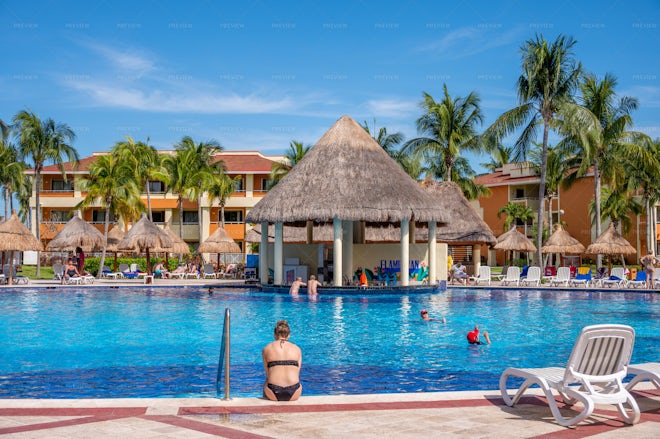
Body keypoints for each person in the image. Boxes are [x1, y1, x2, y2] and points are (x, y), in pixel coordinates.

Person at [262, 320, 302, 401]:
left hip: (272, 391)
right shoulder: (297, 349)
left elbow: (267, 374)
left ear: (274, 335)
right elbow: (297, 373)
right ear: (289, 335)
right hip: (294, 391)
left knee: (266, 382)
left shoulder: (267, 348)